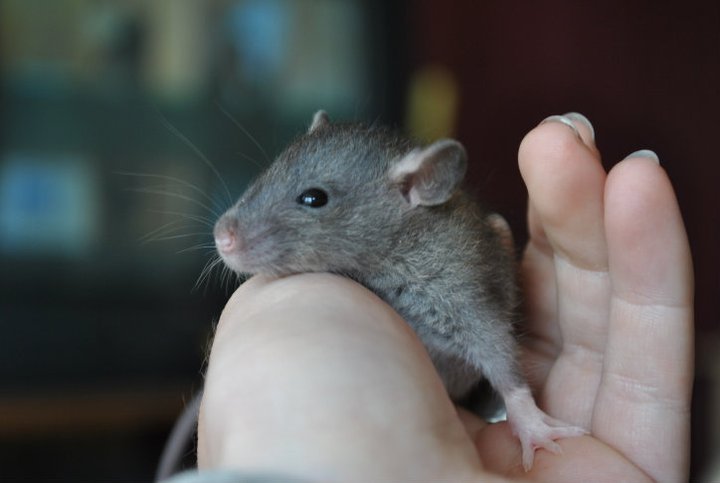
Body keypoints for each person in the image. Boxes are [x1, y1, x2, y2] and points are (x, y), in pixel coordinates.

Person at [172, 114, 694, 482]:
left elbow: (484, 334)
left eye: (313, 201)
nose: (229, 233)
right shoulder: (340, 276)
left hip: (466, 396)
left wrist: (524, 414)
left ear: (417, 186)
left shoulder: (450, 254)